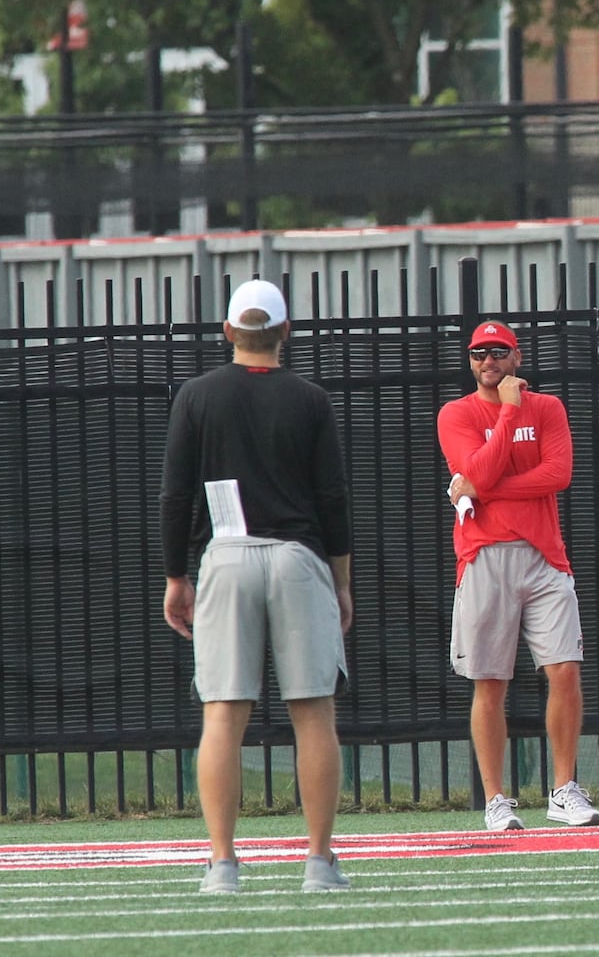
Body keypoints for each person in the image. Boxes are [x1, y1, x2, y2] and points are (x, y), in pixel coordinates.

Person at [160, 278, 355, 894]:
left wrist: (175, 575)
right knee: (313, 712)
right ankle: (319, 863)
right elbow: (332, 497)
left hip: (227, 556)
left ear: (227, 333)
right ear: (285, 332)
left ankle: (222, 865)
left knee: (222, 714)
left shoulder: (196, 396)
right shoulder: (311, 399)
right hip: (298, 558)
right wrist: (341, 581)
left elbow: (175, 494)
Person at [438, 320, 599, 831]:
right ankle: (495, 799)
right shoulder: (457, 413)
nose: (488, 361)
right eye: (479, 354)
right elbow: (479, 471)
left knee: (566, 669)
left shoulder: (549, 408)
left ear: (517, 357)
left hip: (544, 556)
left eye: (498, 352)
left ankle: (563, 790)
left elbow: (559, 474)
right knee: (490, 682)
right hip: (484, 555)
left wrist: (481, 489)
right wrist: (508, 412)